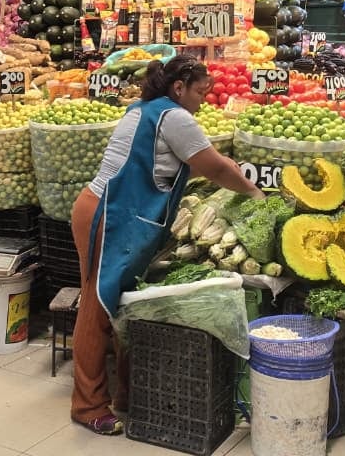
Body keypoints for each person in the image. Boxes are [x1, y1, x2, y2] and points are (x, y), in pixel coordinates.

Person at [70, 56, 264, 435]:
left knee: (122, 305)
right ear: (180, 88)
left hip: (117, 213)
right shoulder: (173, 118)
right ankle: (88, 405)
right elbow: (216, 168)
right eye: (200, 92)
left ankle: (126, 394)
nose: (204, 100)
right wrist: (254, 192)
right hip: (107, 214)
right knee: (98, 306)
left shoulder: (144, 108)